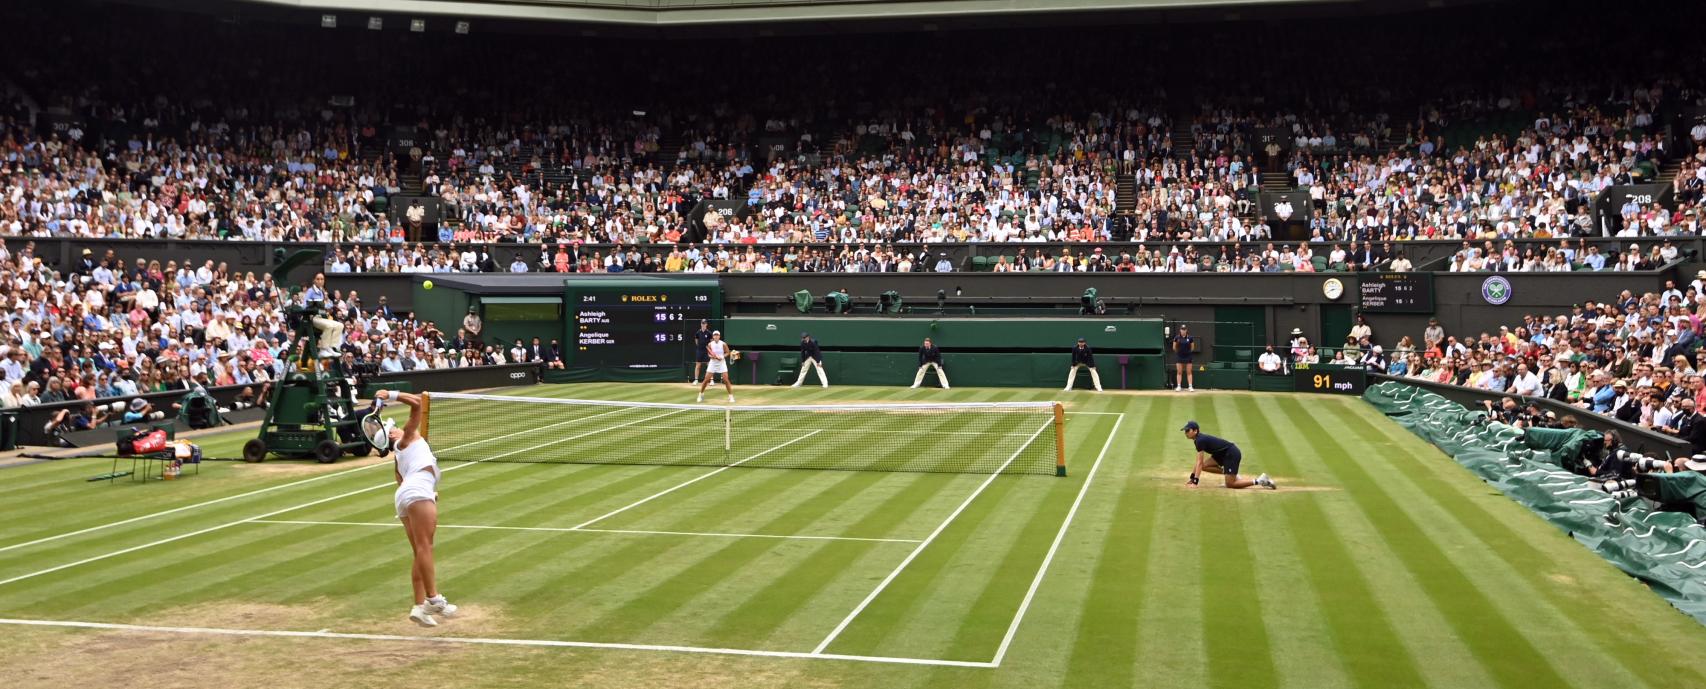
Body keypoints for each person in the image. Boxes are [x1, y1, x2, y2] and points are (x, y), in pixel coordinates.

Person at [373, 389, 458, 628]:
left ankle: (419, 607)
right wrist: (391, 394)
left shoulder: (399, 458)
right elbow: (418, 404)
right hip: (417, 490)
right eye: (395, 427)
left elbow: (402, 482)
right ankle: (434, 599)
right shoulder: (406, 438)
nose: (400, 426)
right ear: (392, 435)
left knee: (420, 551)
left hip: (406, 494)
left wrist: (428, 492)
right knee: (425, 547)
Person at [1182, 420, 1276, 489]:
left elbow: (1199, 462)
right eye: (1185, 431)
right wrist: (1192, 477)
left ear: (1195, 431)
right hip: (1221, 454)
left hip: (1230, 453)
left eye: (1187, 431)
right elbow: (1199, 463)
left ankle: (1260, 480)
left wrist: (1195, 482)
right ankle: (1230, 474)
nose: (1185, 433)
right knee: (1204, 466)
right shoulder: (1198, 440)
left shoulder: (1200, 440)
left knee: (1230, 484)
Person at [698, 330, 735, 403]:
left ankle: (730, 396)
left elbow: (728, 352)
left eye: (717, 335)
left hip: (722, 363)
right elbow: (709, 354)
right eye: (715, 335)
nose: (716, 336)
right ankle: (701, 394)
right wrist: (711, 357)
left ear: (719, 336)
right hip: (713, 363)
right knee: (706, 380)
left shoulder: (723, 344)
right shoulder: (710, 344)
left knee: (726, 379)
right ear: (713, 336)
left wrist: (722, 357)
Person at [1171, 325, 1196, 391]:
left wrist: (1188, 352)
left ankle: (1190, 386)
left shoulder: (1190, 338)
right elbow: (1174, 347)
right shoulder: (1176, 337)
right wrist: (1179, 352)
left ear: (1186, 330)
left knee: (1189, 372)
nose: (1183, 331)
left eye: (1184, 329)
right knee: (1179, 372)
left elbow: (1192, 347)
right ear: (1180, 330)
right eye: (1182, 329)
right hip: (1179, 356)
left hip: (1188, 356)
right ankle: (1179, 386)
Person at [691, 319, 713, 384]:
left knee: (709, 365)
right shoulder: (698, 333)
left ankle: (711, 380)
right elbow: (696, 341)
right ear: (701, 324)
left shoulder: (709, 333)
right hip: (699, 350)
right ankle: (696, 380)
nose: (703, 324)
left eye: (704, 323)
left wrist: (709, 349)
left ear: (706, 324)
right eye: (702, 323)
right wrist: (700, 346)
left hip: (707, 351)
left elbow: (711, 342)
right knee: (698, 365)